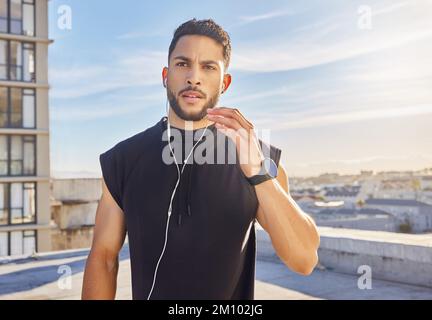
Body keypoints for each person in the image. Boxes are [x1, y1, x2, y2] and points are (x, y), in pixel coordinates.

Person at [81, 18, 320, 300]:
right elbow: (104, 258)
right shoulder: (123, 159)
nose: (194, 77)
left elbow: (303, 260)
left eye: (208, 67)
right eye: (182, 64)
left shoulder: (260, 158)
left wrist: (257, 172)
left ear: (225, 82)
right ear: (165, 75)